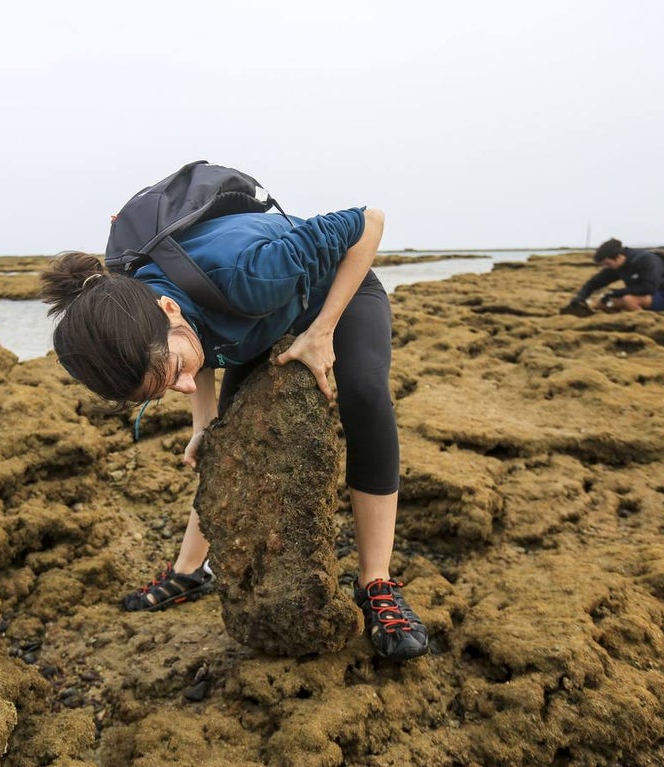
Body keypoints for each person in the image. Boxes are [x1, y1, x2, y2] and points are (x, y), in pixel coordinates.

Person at [39, 205, 428, 663]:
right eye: (166, 390)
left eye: (178, 372)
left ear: (167, 309)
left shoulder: (250, 270)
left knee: (364, 394)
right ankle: (189, 570)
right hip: (251, 321)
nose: (184, 385)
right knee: (224, 442)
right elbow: (188, 348)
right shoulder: (141, 300)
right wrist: (203, 422)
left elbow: (370, 221)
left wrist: (322, 332)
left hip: (337, 286)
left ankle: (375, 581)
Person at [562, 238, 664, 315]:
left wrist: (616, 293)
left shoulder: (646, 259)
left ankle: (644, 322)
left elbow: (649, 287)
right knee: (601, 303)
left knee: (628, 299)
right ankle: (621, 320)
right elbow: (594, 283)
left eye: (607, 263)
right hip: (642, 295)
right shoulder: (616, 265)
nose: (606, 267)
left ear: (619, 257)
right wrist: (580, 297)